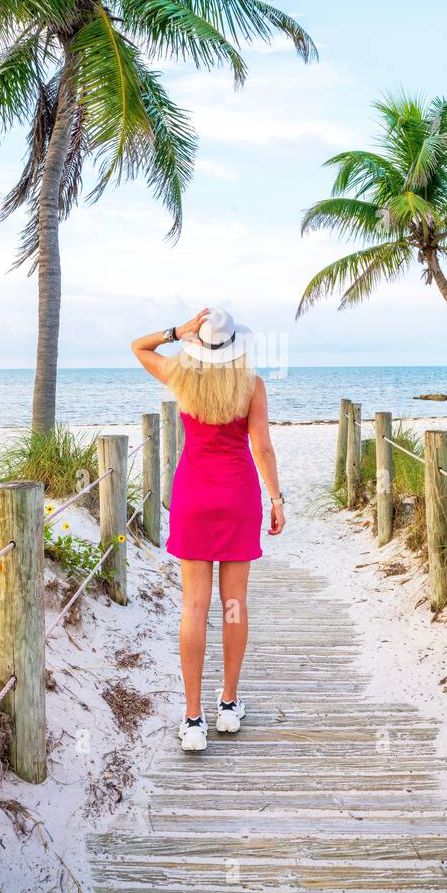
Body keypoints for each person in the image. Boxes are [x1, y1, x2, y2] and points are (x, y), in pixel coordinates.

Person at [131, 306, 285, 752]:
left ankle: (194, 718)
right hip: (237, 498)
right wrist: (275, 498)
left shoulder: (181, 377)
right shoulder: (252, 386)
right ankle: (230, 704)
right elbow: (263, 447)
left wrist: (177, 331)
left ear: (199, 343)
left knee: (194, 607)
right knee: (234, 604)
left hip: (193, 498)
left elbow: (138, 347)